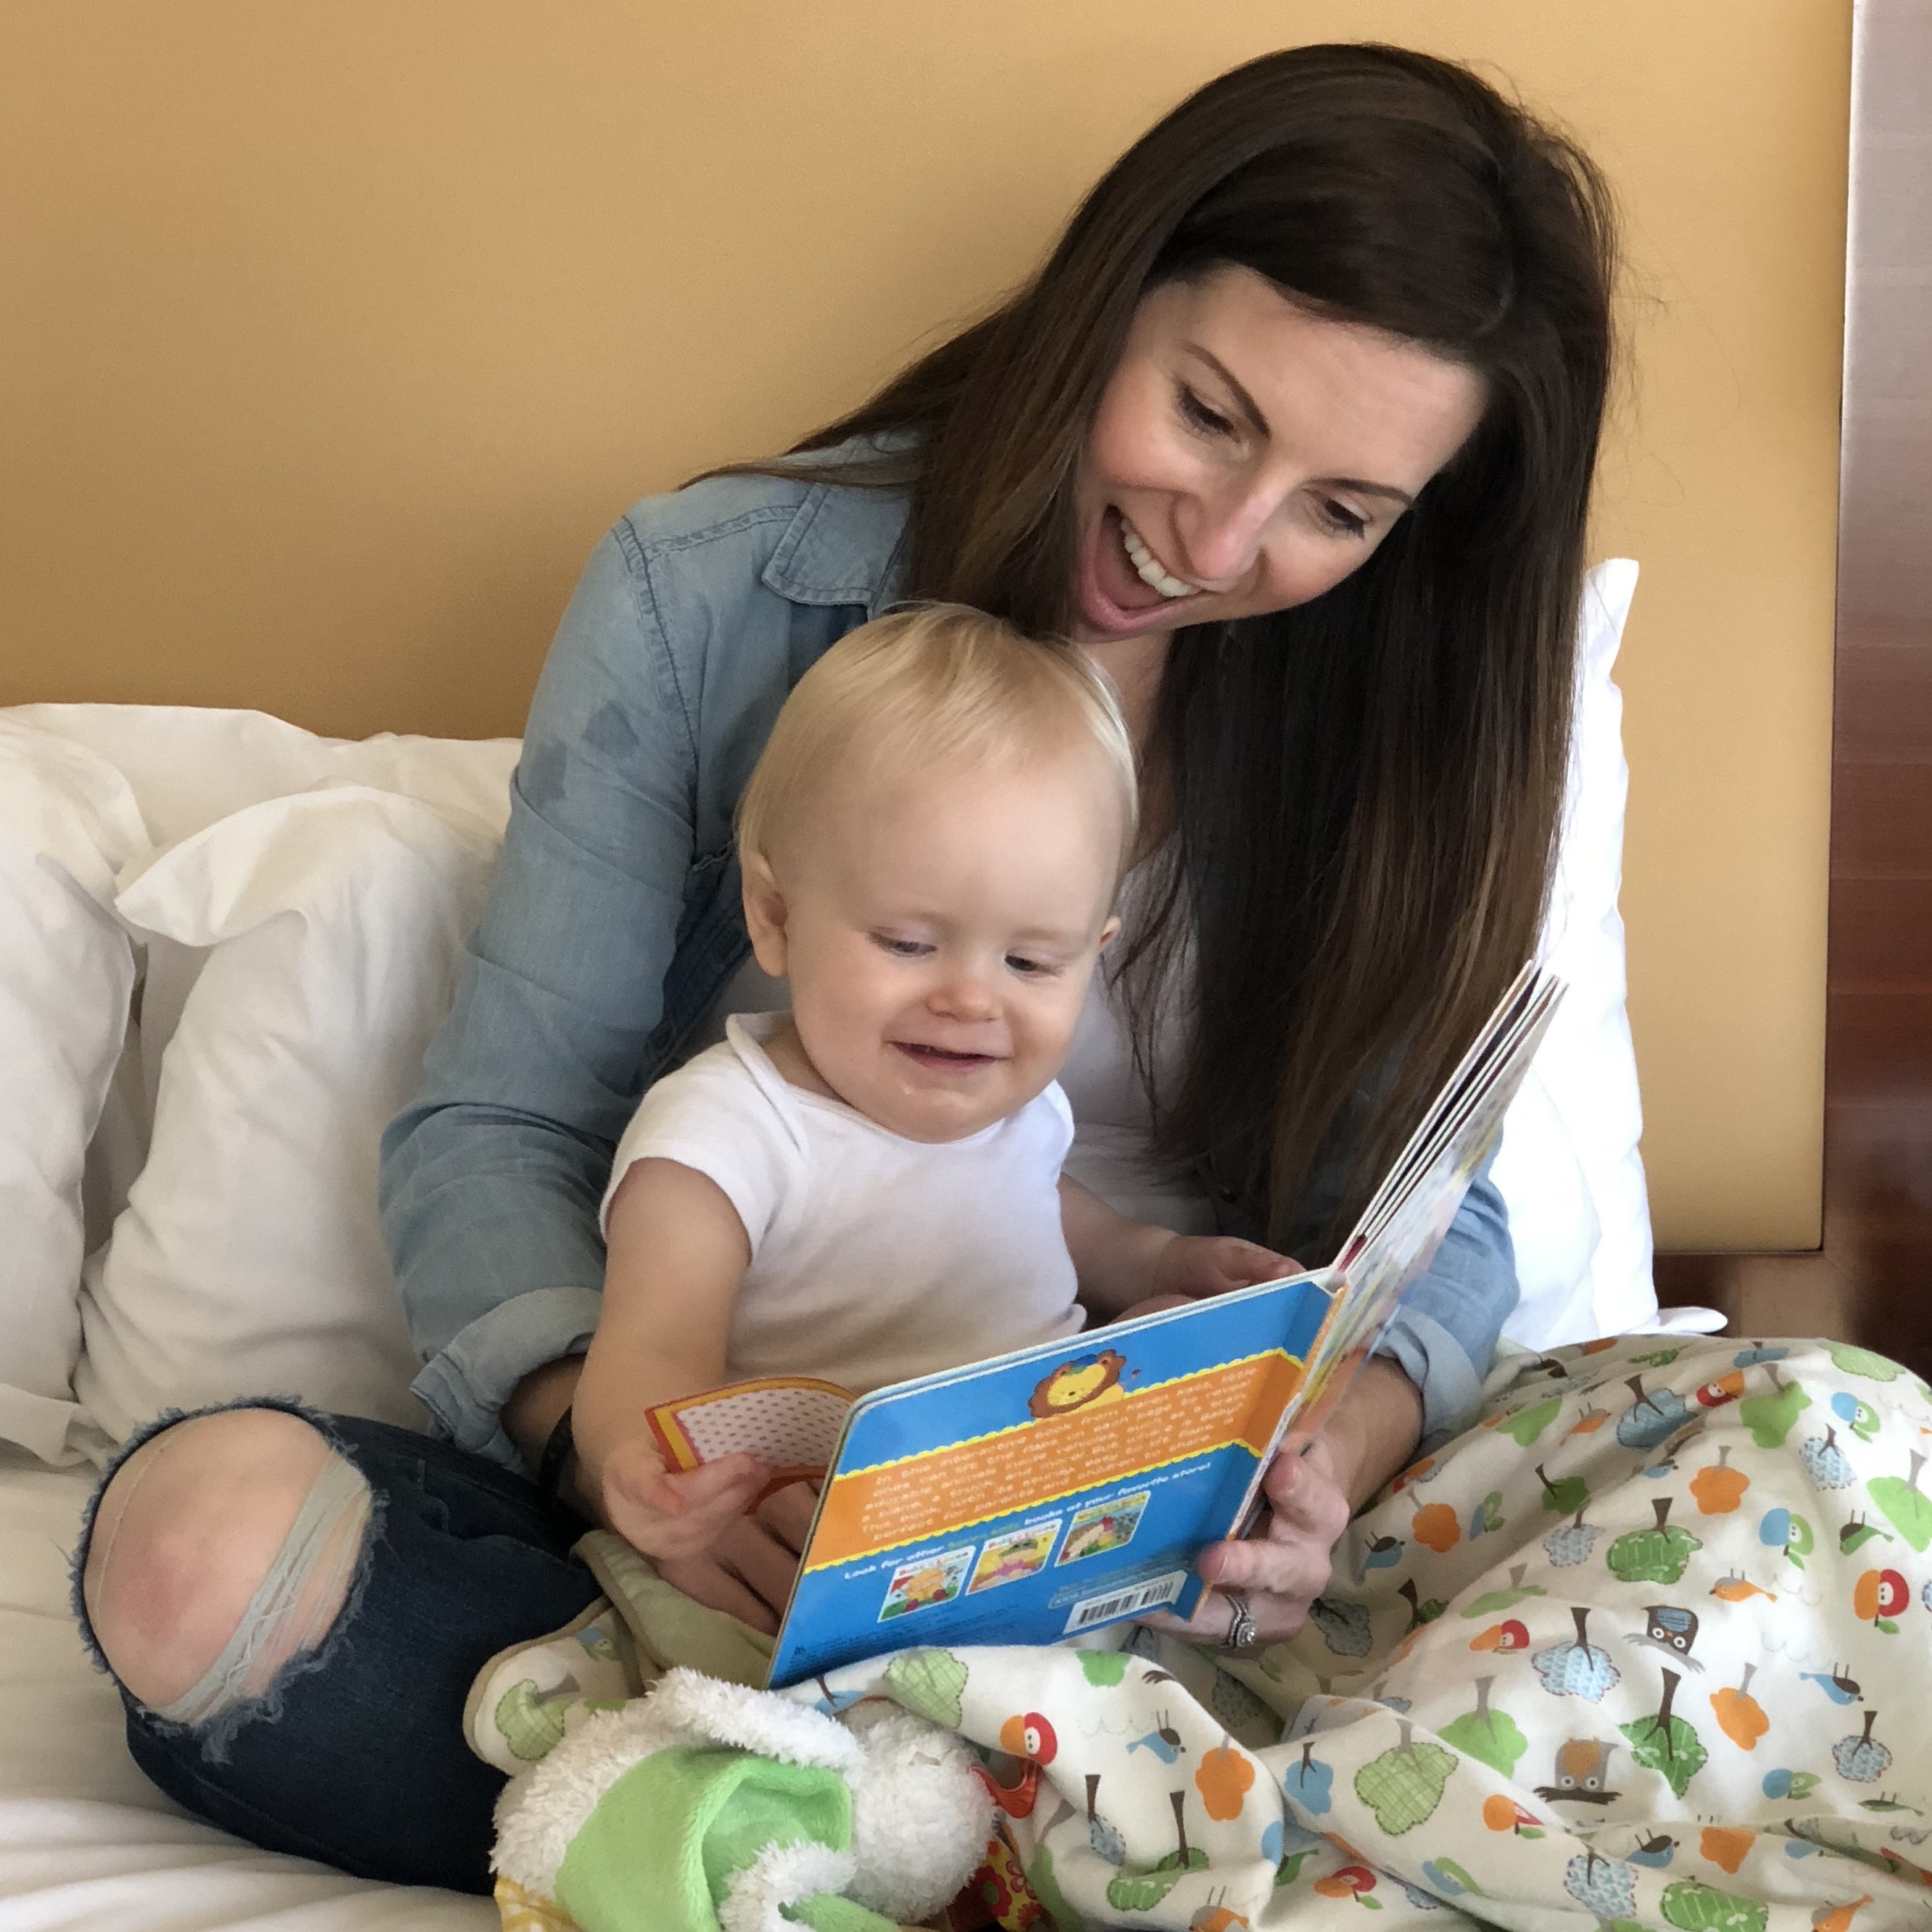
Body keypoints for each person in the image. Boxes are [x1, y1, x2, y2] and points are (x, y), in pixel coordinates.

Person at [72, 41, 1617, 1891]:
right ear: (1108, 296)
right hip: (717, 1511)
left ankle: (812, 1831)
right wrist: (629, 1448)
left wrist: (1336, 1447)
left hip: (1144, 1555)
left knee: (1825, 1441)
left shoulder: (1407, 721)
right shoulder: (709, 593)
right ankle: (852, 1809)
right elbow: (500, 1121)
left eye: (1339, 511)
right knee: (190, 1545)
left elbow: (1434, 1209)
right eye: (1210, 415)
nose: (1220, 542)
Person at [581, 603, 1296, 1623]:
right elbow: (649, 1344)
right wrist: (638, 1469)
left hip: (1021, 1536)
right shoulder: (725, 1132)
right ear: (776, 916)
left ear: (1093, 951)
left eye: (1029, 962)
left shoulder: (1020, 1110)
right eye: (910, 943)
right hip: (813, 1561)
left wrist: (1156, 1262)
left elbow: (1051, 1206)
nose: (970, 1000)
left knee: (1188, 1358)